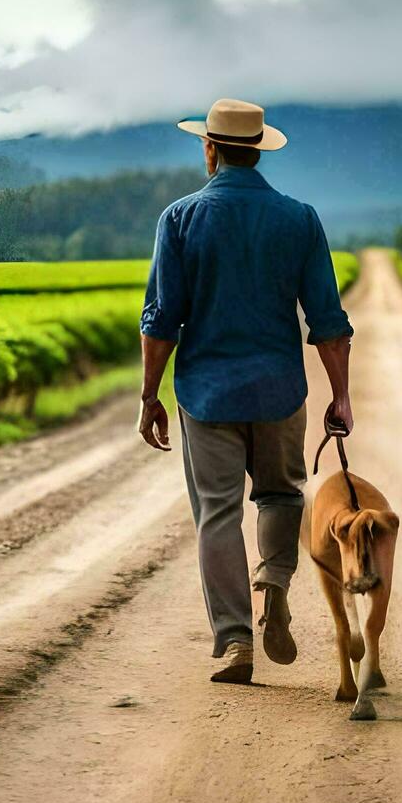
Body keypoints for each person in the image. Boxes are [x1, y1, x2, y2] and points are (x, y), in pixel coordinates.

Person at [137, 98, 354, 685]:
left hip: (206, 394)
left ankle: (234, 639)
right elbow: (328, 322)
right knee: (283, 495)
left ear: (209, 148)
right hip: (279, 390)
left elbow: (160, 319)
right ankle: (275, 582)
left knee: (217, 514)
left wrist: (149, 394)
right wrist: (341, 396)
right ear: (257, 151)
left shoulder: (179, 219)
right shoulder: (299, 218)